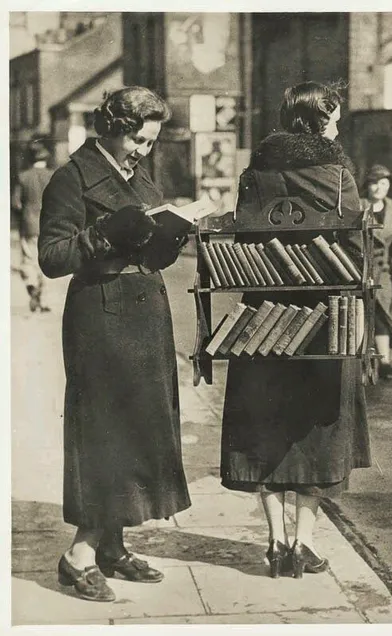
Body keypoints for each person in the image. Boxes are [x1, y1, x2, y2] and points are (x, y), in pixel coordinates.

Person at [38, 86, 194, 602]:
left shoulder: (139, 176)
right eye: (138, 142)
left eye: (150, 143)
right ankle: (78, 555)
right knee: (104, 432)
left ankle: (113, 545)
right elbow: (53, 257)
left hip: (145, 312)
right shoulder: (71, 177)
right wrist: (106, 232)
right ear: (111, 128)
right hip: (100, 317)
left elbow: (147, 247)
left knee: (141, 428)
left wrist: (170, 237)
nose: (143, 151)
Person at [220, 81, 371, 579]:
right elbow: (353, 251)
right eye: (335, 116)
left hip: (263, 320)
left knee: (264, 427)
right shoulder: (337, 173)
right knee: (319, 433)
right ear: (320, 119)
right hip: (324, 319)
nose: (339, 124)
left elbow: (243, 236)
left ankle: (275, 542)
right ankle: (303, 544)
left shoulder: (255, 171)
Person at [360, 165, 392, 379]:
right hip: (361, 268)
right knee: (364, 314)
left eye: (384, 183)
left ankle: (385, 362)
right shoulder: (360, 205)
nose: (379, 188)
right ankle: (363, 363)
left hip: (383, 270)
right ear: (367, 185)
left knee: (383, 315)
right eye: (375, 183)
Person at [11, 141, 54, 312]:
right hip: (50, 225)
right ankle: (44, 300)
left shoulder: (23, 177)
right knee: (48, 259)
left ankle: (31, 285)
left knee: (29, 258)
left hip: (29, 224)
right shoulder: (53, 175)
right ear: (46, 159)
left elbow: (16, 203)